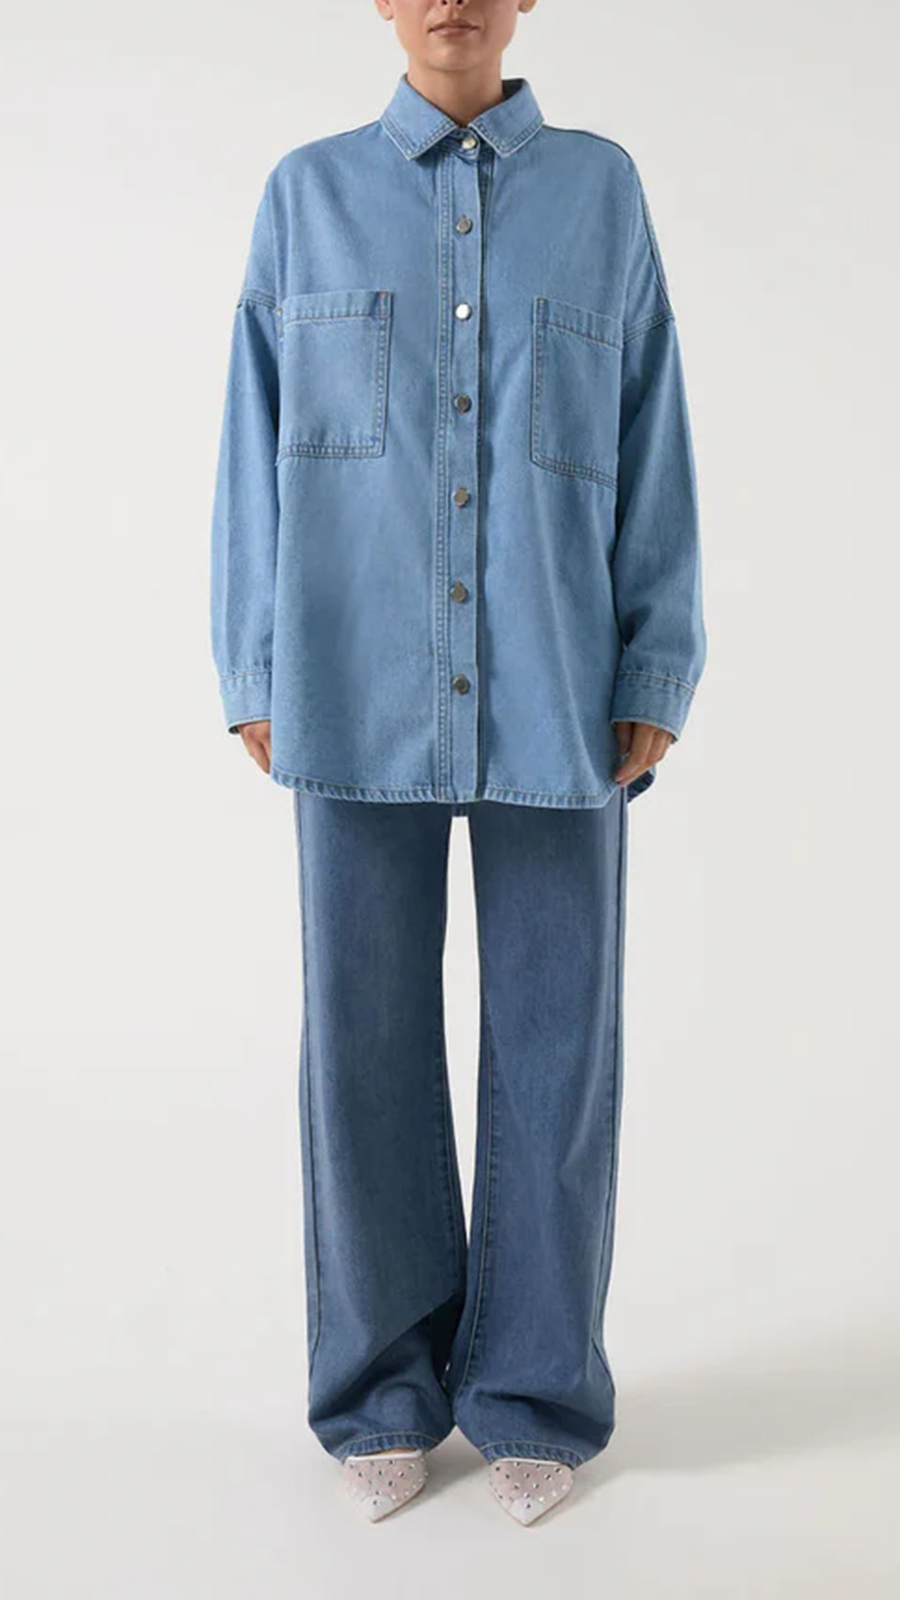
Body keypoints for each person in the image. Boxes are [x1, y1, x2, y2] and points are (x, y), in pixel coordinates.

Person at [209, 0, 707, 1527]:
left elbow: (652, 425)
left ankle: (537, 1391)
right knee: (359, 1045)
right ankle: (379, 1392)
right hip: (352, 686)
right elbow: (252, 437)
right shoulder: (306, 193)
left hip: (563, 690)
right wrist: (256, 664)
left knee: (560, 1052)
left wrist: (656, 662)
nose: (450, 1)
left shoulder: (602, 188)